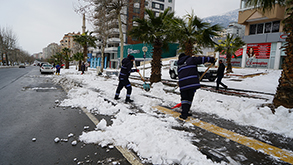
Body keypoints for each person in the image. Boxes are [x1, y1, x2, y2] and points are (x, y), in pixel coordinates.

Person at [177, 53, 215, 120]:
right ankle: (185, 113)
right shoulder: (191, 59)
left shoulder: (179, 65)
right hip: (191, 83)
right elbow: (201, 59)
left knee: (184, 99)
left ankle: (185, 112)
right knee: (189, 98)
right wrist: (211, 59)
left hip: (183, 84)